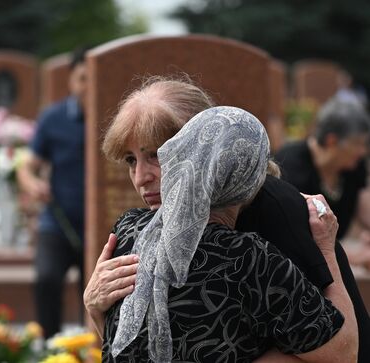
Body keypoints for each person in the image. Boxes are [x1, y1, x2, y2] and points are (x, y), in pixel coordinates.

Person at [83, 77, 369, 361]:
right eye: (131, 160)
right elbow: (132, 343)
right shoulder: (141, 226)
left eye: (157, 155)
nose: (140, 178)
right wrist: (95, 306)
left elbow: (337, 348)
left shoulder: (271, 218)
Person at [17, 47, 88, 339]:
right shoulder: (53, 118)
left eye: (95, 78)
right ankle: (50, 347)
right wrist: (33, 184)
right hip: (57, 222)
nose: (88, 86)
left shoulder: (117, 117)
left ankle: (94, 349)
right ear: (71, 81)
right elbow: (26, 167)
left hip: (101, 227)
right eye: (83, 78)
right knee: (46, 278)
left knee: (97, 290)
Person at [275, 96, 370, 241]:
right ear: (331, 141)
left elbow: (365, 209)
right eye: (357, 143)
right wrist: (352, 256)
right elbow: (293, 236)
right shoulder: (290, 167)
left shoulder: (353, 165)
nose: (363, 151)